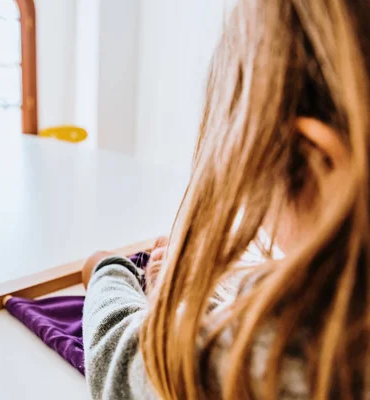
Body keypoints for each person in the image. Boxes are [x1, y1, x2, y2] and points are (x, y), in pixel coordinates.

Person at [81, 0, 370, 398]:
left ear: (312, 159)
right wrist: (202, 297)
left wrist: (106, 272)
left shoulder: (293, 348)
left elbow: (128, 362)